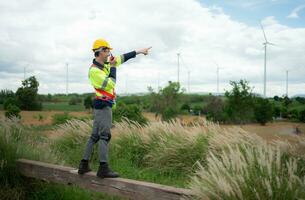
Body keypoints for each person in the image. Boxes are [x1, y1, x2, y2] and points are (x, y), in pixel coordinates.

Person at [78, 38, 151, 178]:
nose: (110, 53)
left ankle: (83, 165)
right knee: (105, 136)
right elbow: (111, 84)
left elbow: (122, 58)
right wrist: (113, 67)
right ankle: (103, 168)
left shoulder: (105, 64)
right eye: (107, 50)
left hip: (102, 105)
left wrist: (139, 51)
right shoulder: (95, 71)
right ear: (99, 52)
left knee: (94, 136)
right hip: (103, 106)